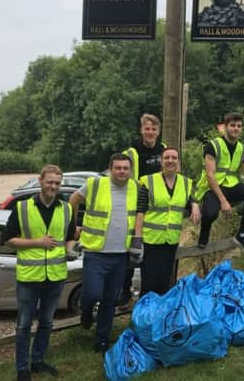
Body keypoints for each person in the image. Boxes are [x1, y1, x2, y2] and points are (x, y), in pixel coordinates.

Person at [5, 165, 77, 381]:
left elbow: (70, 236)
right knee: (24, 324)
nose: (53, 186)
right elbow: (8, 239)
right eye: (50, 182)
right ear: (40, 181)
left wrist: (70, 249)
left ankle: (37, 361)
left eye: (57, 183)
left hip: (55, 275)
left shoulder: (66, 209)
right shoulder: (22, 207)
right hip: (29, 277)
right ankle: (22, 368)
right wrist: (37, 242)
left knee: (46, 322)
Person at [69, 153, 139, 353]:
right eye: (118, 168)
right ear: (110, 169)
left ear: (130, 170)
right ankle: (86, 313)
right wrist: (73, 225)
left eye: (126, 168)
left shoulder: (135, 187)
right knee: (92, 294)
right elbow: (73, 199)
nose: (122, 172)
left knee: (110, 299)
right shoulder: (95, 184)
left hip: (120, 254)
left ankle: (102, 340)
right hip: (96, 251)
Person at [195, 113, 244, 255]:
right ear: (225, 127)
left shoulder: (242, 149)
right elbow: (210, 175)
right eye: (232, 125)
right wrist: (223, 201)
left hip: (231, 185)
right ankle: (204, 233)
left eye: (239, 126)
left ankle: (243, 234)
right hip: (212, 187)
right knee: (210, 213)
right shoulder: (213, 145)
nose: (236, 129)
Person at [135, 147, 201, 295]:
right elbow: (140, 211)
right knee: (148, 282)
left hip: (171, 240)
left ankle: (161, 314)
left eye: (174, 158)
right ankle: (144, 315)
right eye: (167, 158)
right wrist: (137, 238)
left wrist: (194, 203)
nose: (170, 161)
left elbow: (188, 197)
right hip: (150, 239)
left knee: (164, 281)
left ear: (178, 162)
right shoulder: (149, 181)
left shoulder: (185, 183)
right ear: (161, 161)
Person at [119, 113, 166, 305]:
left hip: (157, 205)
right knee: (132, 247)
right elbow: (123, 176)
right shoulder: (132, 151)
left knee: (153, 251)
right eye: (147, 128)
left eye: (154, 129)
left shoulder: (163, 149)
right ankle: (125, 291)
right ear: (141, 130)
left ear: (158, 131)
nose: (150, 132)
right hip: (136, 202)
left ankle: (151, 293)